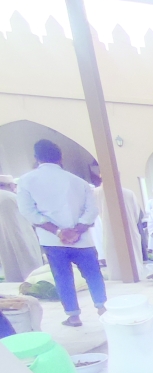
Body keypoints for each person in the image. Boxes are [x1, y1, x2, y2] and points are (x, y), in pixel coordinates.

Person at [17, 139, 107, 327]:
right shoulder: (79, 182)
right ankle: (102, 308)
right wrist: (77, 230)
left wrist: (58, 232)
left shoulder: (26, 181)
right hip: (82, 239)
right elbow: (91, 210)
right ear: (60, 158)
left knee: (63, 277)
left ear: (36, 158)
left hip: (52, 240)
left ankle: (73, 316)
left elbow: (28, 211)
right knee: (92, 274)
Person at [93, 170, 144, 281]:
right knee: (118, 257)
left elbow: (135, 213)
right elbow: (136, 215)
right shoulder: (97, 192)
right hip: (119, 231)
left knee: (122, 256)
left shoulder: (127, 193)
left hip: (121, 231)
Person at [0, 174, 42, 282]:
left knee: (9, 266)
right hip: (22, 236)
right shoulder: (12, 197)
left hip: (4, 242)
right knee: (29, 266)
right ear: (10, 185)